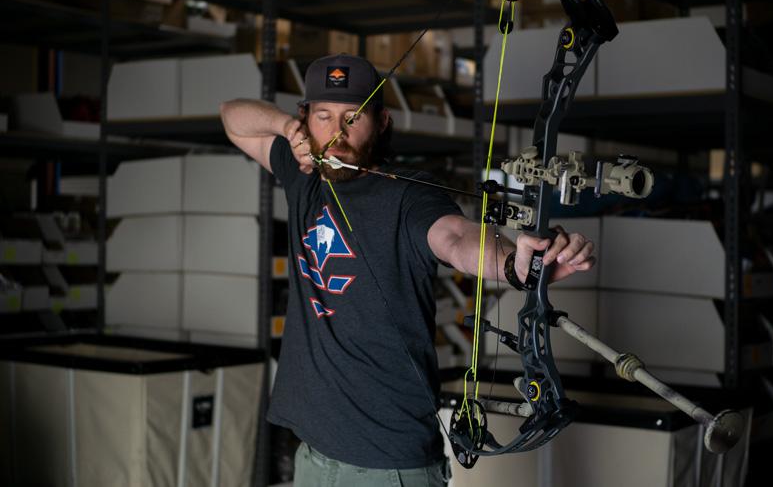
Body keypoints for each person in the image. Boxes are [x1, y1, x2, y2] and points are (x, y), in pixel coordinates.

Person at [220, 54, 595, 487]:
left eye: (353, 117)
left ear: (381, 121)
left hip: (388, 466)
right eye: (323, 116)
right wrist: (287, 129)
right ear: (307, 120)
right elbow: (233, 117)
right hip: (314, 455)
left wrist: (514, 264)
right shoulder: (302, 174)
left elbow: (454, 238)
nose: (336, 131)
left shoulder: (409, 197)